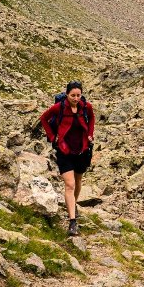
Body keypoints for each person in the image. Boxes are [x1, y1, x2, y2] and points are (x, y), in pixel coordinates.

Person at [40, 81, 95, 236]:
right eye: (73, 95)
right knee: (69, 184)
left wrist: (90, 134)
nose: (76, 98)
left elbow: (91, 118)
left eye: (78, 95)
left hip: (82, 150)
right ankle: (72, 222)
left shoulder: (86, 107)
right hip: (64, 151)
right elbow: (43, 118)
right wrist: (52, 137)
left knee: (78, 181)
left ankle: (73, 205)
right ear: (67, 94)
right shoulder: (59, 107)